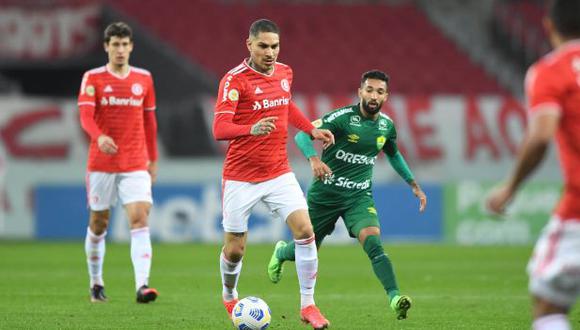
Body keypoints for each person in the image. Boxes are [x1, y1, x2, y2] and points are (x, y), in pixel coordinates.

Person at [267, 70, 427, 321]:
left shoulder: (386, 126)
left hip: (358, 197)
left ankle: (395, 298)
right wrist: (314, 159)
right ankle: (281, 253)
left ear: (387, 96)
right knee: (307, 249)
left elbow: (393, 154)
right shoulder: (341, 118)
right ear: (360, 92)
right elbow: (301, 134)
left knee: (373, 241)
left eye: (380, 91)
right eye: (370, 90)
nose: (374, 95)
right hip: (325, 195)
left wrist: (413, 183)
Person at [213, 19, 335, 329]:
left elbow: (287, 105)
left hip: (279, 171)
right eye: (264, 46)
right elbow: (219, 128)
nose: (270, 52)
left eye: (275, 46)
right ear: (249, 45)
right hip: (240, 176)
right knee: (236, 249)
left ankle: (308, 305)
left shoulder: (284, 72)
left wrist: (311, 129)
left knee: (305, 231)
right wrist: (249, 129)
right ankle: (229, 294)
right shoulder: (234, 80)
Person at [486, 1, 580, 329]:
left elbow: (540, 136)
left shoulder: (551, 71)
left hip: (578, 211)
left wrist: (510, 187)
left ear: (549, 26)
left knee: (548, 304)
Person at [77, 22, 159, 304]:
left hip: (136, 162)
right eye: (115, 45)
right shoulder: (93, 78)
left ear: (132, 46)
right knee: (99, 223)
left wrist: (153, 159)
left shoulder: (144, 78)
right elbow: (86, 117)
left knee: (140, 218)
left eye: (125, 44)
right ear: (106, 47)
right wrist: (99, 137)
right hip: (102, 163)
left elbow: (149, 121)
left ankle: (142, 286)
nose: (121, 50)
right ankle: (96, 282)